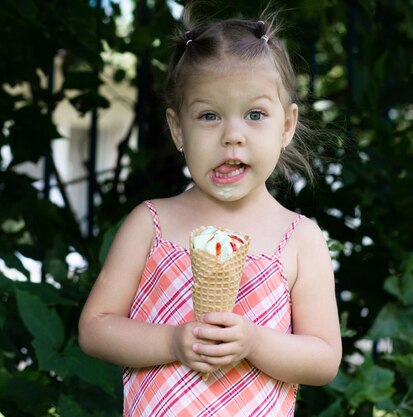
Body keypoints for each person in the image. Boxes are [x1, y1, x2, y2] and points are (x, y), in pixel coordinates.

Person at [79, 6, 342, 416]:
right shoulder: (151, 223)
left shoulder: (299, 238)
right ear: (178, 128)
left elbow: (324, 359)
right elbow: (95, 329)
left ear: (287, 125)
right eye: (208, 116)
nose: (232, 136)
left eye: (255, 115)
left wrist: (254, 343)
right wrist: (170, 342)